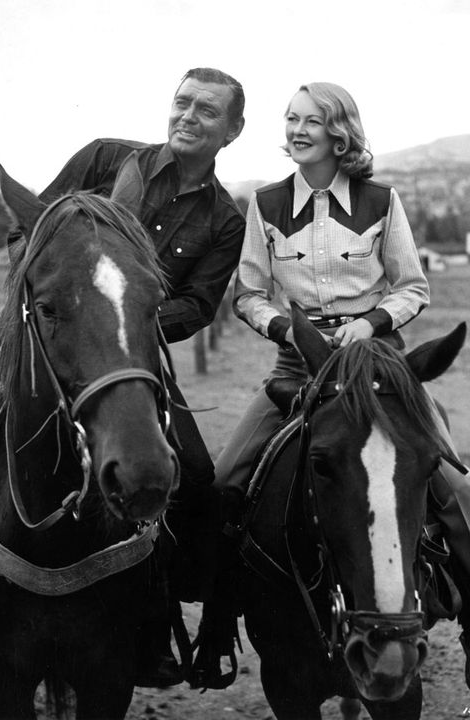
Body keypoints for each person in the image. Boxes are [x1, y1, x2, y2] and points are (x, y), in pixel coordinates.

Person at [193, 81, 470, 690]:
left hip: (378, 367)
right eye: (291, 119)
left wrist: (371, 322)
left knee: (457, 490)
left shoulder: (381, 201)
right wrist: (284, 330)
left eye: (310, 122)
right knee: (225, 486)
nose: (296, 130)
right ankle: (214, 632)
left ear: (338, 132)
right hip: (299, 369)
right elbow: (250, 294)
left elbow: (412, 287)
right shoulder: (264, 204)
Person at [0, 67, 246, 687]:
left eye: (207, 111)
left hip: (135, 355)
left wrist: (127, 314)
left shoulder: (225, 219)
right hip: (49, 337)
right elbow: (26, 229)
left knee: (194, 476)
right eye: (182, 102)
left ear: (233, 130)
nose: (188, 116)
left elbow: (200, 305)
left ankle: (159, 622)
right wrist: (68, 303)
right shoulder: (105, 159)